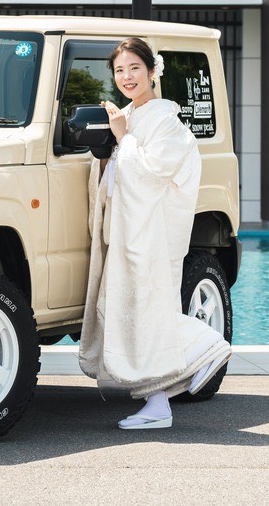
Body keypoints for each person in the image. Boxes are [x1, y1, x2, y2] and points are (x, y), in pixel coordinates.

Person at [78, 37, 231, 430]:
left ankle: (206, 345)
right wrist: (111, 148)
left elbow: (152, 174)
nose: (127, 77)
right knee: (133, 313)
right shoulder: (130, 115)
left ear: (151, 71)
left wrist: (123, 137)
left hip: (149, 233)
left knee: (148, 311)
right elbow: (117, 173)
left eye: (134, 68)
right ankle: (158, 401)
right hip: (129, 231)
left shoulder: (164, 120)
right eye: (120, 70)